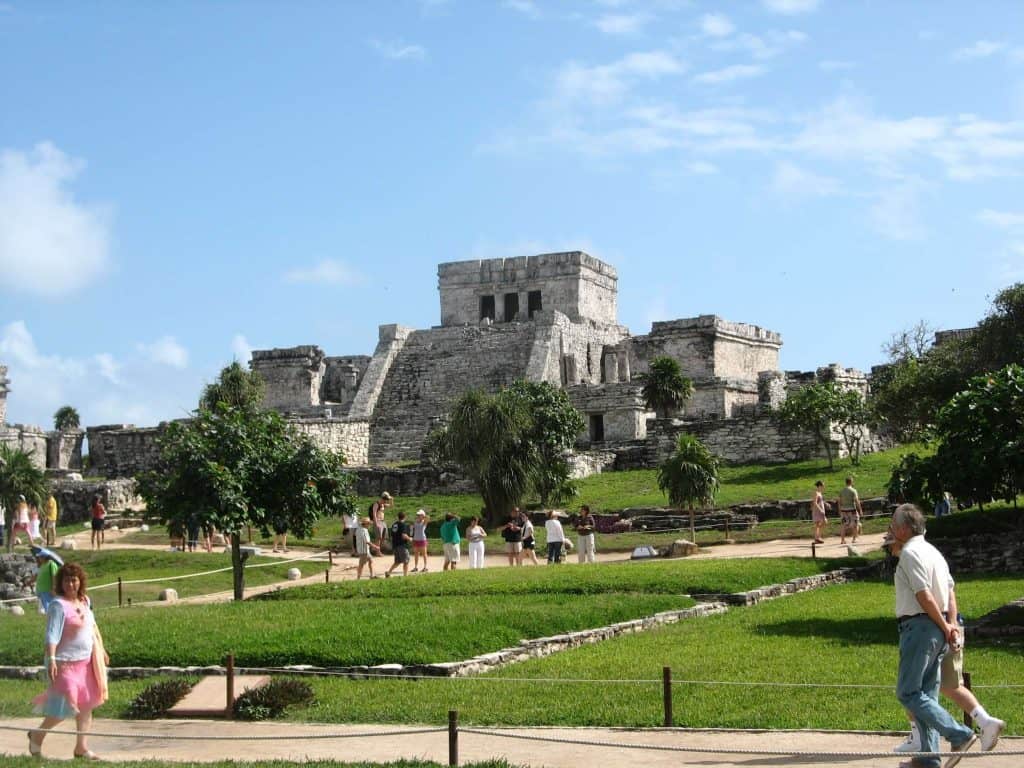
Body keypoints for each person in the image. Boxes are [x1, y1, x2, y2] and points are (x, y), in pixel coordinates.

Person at [889, 503, 977, 768]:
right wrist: (949, 625)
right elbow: (949, 591)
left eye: (893, 524)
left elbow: (923, 595)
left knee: (908, 692)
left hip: (919, 627)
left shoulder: (910, 553)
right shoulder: (934, 552)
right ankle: (929, 760)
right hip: (935, 629)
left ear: (904, 528)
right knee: (926, 693)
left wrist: (944, 624)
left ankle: (960, 734)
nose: (891, 529)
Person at [892, 579, 1005, 754]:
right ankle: (984, 722)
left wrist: (950, 627)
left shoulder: (919, 561)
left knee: (923, 686)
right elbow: (948, 594)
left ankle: (976, 726)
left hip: (932, 629)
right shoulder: (932, 562)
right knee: (940, 685)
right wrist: (952, 626)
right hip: (942, 627)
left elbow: (940, 596)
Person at [28, 562, 109, 760]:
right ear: (61, 583)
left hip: (86, 662)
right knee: (66, 705)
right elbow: (51, 634)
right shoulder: (58, 605)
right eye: (66, 580)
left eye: (74, 580)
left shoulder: (85, 601)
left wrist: (103, 649)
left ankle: (81, 747)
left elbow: (93, 626)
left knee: (87, 704)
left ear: (80, 582)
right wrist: (52, 659)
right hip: (64, 663)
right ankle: (37, 736)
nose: (70, 584)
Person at [31, 546, 61, 614]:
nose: (39, 558)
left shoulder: (51, 564)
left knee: (50, 609)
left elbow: (54, 576)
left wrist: (53, 589)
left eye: (40, 557)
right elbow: (37, 576)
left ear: (44, 557)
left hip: (48, 590)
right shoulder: (42, 565)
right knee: (45, 610)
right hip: (41, 591)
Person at [385, 511, 412, 577]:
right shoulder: (403, 524)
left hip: (395, 545)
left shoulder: (394, 524)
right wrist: (410, 539)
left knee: (397, 561)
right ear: (405, 517)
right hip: (402, 545)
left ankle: (388, 573)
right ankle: (405, 576)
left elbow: (392, 535)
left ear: (398, 517)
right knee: (406, 561)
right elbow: (403, 535)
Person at [837, 477, 862, 545]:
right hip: (852, 510)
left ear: (846, 482)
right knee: (855, 524)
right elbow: (857, 501)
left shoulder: (841, 491)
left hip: (843, 510)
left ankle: (842, 540)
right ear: (851, 482)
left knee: (843, 525)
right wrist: (860, 509)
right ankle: (854, 539)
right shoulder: (853, 490)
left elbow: (839, 501)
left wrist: (839, 510)